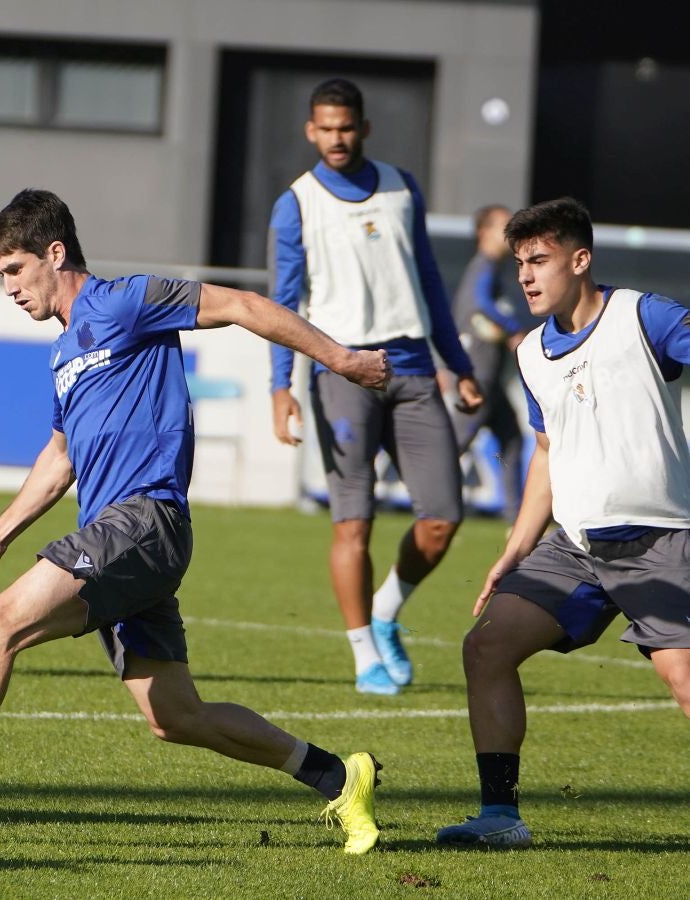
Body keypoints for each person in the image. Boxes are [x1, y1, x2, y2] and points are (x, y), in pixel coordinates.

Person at [0, 188, 391, 854]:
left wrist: (342, 360)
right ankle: (339, 777)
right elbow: (60, 458)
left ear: (55, 253)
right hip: (121, 539)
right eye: (0, 275)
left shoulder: (127, 301)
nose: (8, 288)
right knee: (175, 716)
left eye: (15, 269)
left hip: (144, 520)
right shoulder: (62, 353)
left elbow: (243, 305)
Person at [436, 197, 690, 849]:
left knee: (683, 680)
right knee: (486, 648)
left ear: (580, 261)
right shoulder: (530, 354)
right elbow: (547, 453)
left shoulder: (643, 316)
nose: (525, 275)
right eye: (520, 262)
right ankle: (501, 817)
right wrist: (515, 548)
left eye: (540, 260)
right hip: (575, 547)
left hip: (663, 541)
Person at [268, 77, 483, 696]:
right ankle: (364, 656)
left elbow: (429, 281)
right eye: (326, 129)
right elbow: (283, 302)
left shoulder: (401, 186)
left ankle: (385, 612)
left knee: (443, 517)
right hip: (341, 373)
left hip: (414, 368)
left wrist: (458, 364)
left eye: (346, 128)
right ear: (311, 131)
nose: (337, 138)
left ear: (363, 128)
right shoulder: (296, 203)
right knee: (353, 525)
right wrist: (280, 386)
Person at [447, 204, 533, 521]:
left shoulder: (493, 269)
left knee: (511, 440)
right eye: (503, 227)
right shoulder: (483, 265)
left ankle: (517, 518)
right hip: (477, 375)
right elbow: (480, 303)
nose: (510, 234)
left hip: (490, 378)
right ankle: (430, 505)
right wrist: (512, 330)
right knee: (456, 442)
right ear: (484, 233)